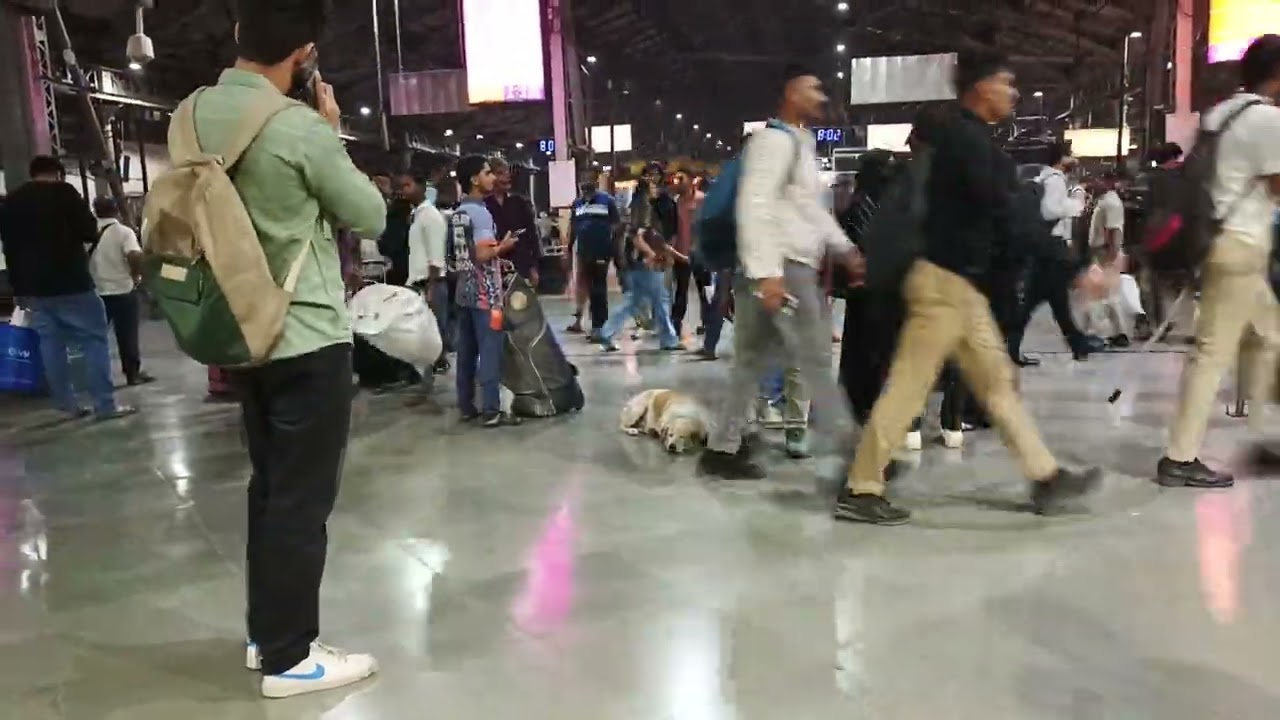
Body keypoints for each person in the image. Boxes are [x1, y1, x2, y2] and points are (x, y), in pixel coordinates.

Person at [201, 0, 387, 697]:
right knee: (301, 503)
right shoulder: (298, 126)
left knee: (269, 491)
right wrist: (330, 132)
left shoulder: (191, 115)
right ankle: (290, 658)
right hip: (305, 334)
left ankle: (265, 634)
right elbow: (367, 214)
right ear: (303, 56)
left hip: (239, 331)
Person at [835, 50, 1101, 525]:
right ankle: (862, 485)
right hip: (943, 286)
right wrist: (1072, 265)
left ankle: (1046, 477)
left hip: (956, 286)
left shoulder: (960, 139)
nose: (1013, 93)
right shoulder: (969, 143)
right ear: (981, 88)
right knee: (909, 388)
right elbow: (1012, 214)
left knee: (996, 384)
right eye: (1006, 83)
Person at [697, 65, 865, 480]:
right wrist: (767, 273)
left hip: (776, 267)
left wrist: (843, 247)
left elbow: (808, 208)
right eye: (813, 88)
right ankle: (859, 456)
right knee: (814, 359)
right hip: (783, 268)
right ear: (790, 92)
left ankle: (722, 449)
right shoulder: (773, 142)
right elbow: (754, 205)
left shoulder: (799, 143)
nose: (821, 97)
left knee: (751, 361)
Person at [1156, 34, 1280, 488]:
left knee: (1269, 338)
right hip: (1240, 246)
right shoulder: (1267, 119)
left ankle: (1261, 437)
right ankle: (1179, 456)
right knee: (1211, 353)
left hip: (1219, 241)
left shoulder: (1221, 112)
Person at [0, 156, 135, 420]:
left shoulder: (12, 202)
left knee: (51, 345)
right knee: (94, 340)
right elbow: (88, 232)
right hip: (72, 283)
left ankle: (67, 403)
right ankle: (105, 405)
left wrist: (18, 288)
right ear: (58, 174)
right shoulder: (64, 192)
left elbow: (10, 247)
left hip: (34, 289)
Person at [1006, 142, 1094, 364]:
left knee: (1050, 301)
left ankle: (1077, 343)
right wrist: (1075, 204)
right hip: (1051, 249)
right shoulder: (1055, 180)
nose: (1074, 160)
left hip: (1045, 250)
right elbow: (1050, 211)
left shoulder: (1043, 178)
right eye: (1070, 156)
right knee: (1048, 302)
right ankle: (1077, 344)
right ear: (1061, 158)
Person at [449, 155, 520, 427]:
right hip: (485, 295)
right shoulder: (480, 212)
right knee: (491, 349)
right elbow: (480, 254)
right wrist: (504, 247)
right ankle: (491, 410)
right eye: (487, 173)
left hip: (464, 291)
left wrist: (496, 252)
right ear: (474, 179)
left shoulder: (458, 213)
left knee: (466, 352)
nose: (493, 178)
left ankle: (466, 405)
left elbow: (462, 256)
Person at [599, 174, 683, 352]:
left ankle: (606, 332)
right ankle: (669, 339)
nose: (656, 190)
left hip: (634, 262)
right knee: (660, 300)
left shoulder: (634, 207)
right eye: (653, 187)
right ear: (647, 189)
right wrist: (652, 254)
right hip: (645, 262)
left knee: (633, 302)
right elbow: (638, 238)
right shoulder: (644, 208)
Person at [90, 196, 154, 386]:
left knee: (96, 337)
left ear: (95, 211)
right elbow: (134, 254)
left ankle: (98, 377)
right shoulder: (123, 232)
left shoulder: (89, 232)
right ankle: (132, 374)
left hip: (96, 292)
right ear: (116, 210)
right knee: (127, 335)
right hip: (123, 291)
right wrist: (136, 276)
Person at [403, 173, 452, 375]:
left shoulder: (431, 216)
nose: (403, 190)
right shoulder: (417, 215)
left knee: (435, 332)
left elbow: (435, 255)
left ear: (422, 187)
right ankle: (429, 368)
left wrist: (431, 286)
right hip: (418, 282)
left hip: (431, 282)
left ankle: (439, 366)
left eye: (408, 185)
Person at [564, 181, 619, 339]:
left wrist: (611, 245)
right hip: (583, 252)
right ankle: (591, 324)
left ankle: (600, 326)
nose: (585, 192)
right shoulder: (577, 203)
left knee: (599, 289)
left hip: (601, 251)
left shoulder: (607, 201)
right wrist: (568, 248)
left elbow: (616, 225)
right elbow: (573, 227)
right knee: (586, 287)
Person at [485, 157, 542, 289]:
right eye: (500, 173)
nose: (506, 176)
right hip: (493, 267)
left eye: (507, 172)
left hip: (521, 266)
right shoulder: (483, 206)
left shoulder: (521, 202)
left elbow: (533, 235)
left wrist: (534, 267)